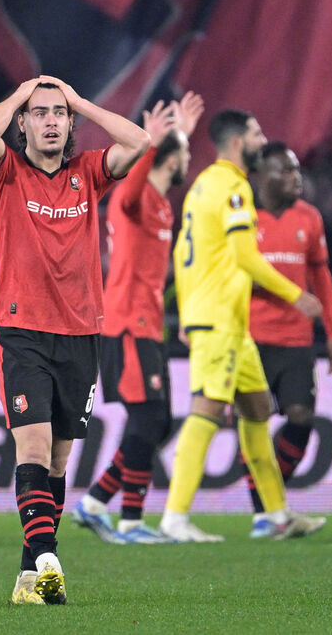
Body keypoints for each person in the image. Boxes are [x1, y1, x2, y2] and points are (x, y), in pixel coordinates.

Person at [0, 75, 151, 605]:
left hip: (82, 332)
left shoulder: (87, 174)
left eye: (58, 113)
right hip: (22, 329)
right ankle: (50, 561)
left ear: (71, 123)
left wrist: (79, 100)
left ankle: (29, 579)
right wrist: (23, 91)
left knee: (57, 463)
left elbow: (139, 142)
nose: (50, 120)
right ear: (22, 122)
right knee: (31, 446)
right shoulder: (5, 173)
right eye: (39, 112)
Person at [161, 109, 325, 542]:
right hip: (220, 318)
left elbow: (183, 251)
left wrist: (187, 309)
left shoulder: (201, 186)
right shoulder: (234, 188)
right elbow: (246, 257)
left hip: (222, 318)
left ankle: (275, 515)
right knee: (208, 410)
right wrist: (297, 295)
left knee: (256, 408)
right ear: (238, 143)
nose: (262, 139)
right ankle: (174, 516)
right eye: (256, 134)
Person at [71, 92, 203, 544]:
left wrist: (180, 134)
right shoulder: (135, 195)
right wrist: (158, 140)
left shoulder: (164, 205)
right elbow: (128, 190)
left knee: (157, 422)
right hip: (127, 325)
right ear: (169, 160)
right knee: (148, 421)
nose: (189, 158)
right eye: (185, 152)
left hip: (148, 325)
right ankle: (128, 519)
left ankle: (95, 504)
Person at [242, 141, 332, 537]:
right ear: (262, 176)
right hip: (251, 337)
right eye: (284, 170)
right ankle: (264, 514)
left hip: (297, 340)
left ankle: (273, 495)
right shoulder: (244, 217)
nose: (294, 178)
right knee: (254, 423)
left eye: (296, 169)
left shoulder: (310, 218)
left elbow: (322, 277)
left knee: (301, 418)